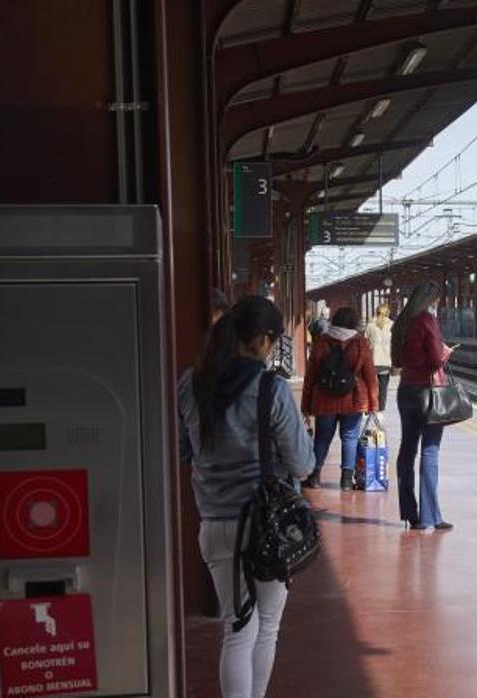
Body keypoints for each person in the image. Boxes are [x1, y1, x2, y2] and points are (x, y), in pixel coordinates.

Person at [178, 296, 314, 698]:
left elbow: (185, 452)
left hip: (215, 524)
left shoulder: (191, 383)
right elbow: (303, 464)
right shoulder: (269, 387)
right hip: (266, 526)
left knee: (236, 628)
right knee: (266, 625)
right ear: (264, 339)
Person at [391, 282, 455, 531]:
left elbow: (396, 360)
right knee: (430, 451)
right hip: (428, 393)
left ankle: (410, 513)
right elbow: (437, 357)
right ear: (430, 300)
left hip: (405, 391)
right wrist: (446, 352)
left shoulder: (402, 322)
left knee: (407, 450)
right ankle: (431, 516)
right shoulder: (426, 320)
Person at [301, 306, 378, 491]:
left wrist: (306, 404)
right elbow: (369, 375)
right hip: (354, 398)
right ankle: (345, 480)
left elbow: (311, 375)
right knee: (350, 438)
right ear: (355, 322)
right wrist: (374, 403)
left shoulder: (321, 341)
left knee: (322, 439)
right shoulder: (360, 343)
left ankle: (314, 476)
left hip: (324, 397)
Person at [366, 303, 394, 415]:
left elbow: (366, 342)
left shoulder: (370, 325)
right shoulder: (392, 325)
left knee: (371, 385)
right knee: (383, 386)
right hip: (386, 360)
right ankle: (381, 408)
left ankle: (371, 406)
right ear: (387, 313)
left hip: (372, 360)